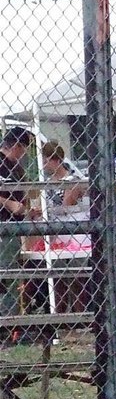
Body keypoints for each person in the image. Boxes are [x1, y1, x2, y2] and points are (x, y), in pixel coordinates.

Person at [0, 126, 34, 327]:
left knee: (12, 275)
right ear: (16, 145)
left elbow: (22, 197)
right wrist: (9, 203)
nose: (24, 153)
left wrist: (28, 211)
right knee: (5, 275)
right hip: (3, 225)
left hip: (14, 228)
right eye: (23, 148)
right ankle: (6, 322)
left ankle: (12, 323)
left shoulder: (16, 167)